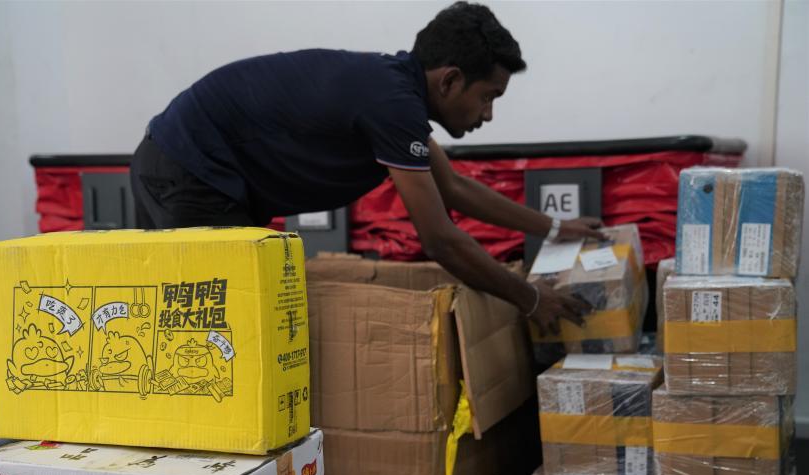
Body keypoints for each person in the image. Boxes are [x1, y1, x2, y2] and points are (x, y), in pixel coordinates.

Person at [131, 1, 603, 335]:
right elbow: (439, 239)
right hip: (190, 169)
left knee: (225, 326)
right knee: (220, 332)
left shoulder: (396, 94)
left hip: (190, 167)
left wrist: (556, 227)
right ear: (450, 80)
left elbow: (455, 188)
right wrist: (531, 299)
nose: (488, 114)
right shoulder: (392, 104)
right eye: (487, 97)